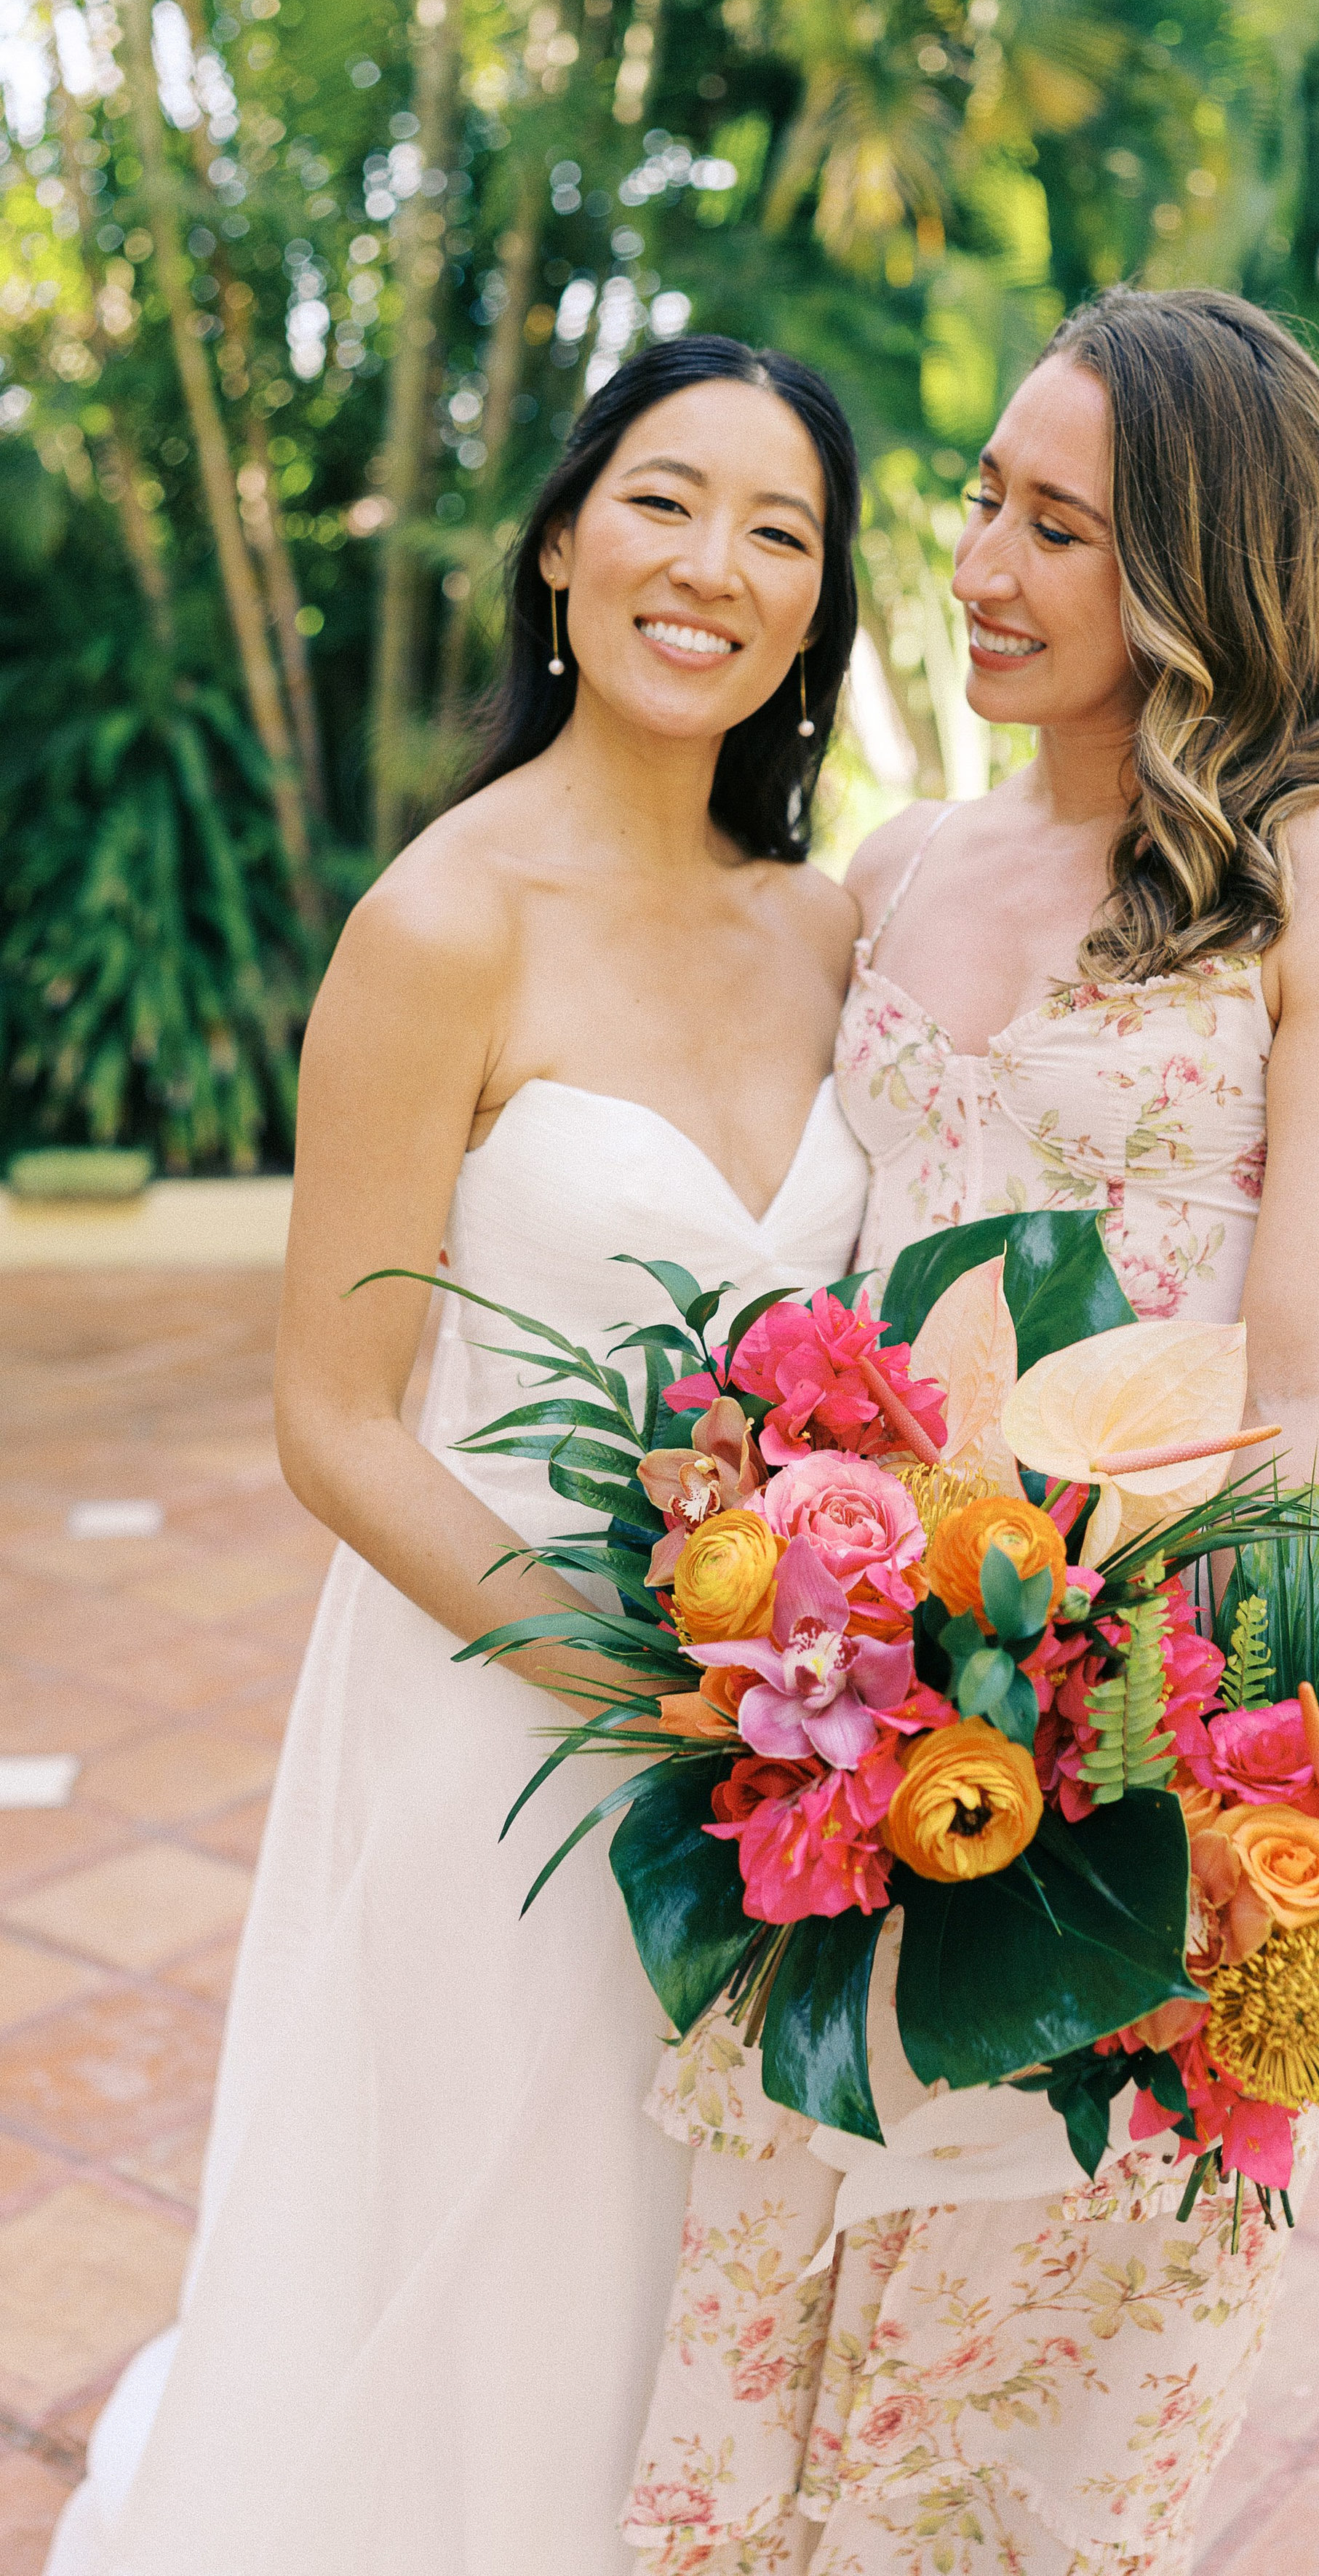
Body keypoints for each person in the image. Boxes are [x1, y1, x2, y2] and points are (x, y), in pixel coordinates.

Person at [621, 288, 1319, 2575]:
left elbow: (1315, 1391)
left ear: (1206, 560)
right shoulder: (899, 867)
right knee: (760, 2416)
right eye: (985, 501)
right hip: (843, 1748)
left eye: (1061, 527)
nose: (982, 565)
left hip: (1132, 1787)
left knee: (1003, 2469)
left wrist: (1195, 1815)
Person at [47, 337, 871, 2576]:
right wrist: (649, 1689)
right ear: (562, 541)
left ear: (820, 602)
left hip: (794, 1752)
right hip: (502, 1718)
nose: (714, 566)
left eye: (781, 531)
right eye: (666, 500)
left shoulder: (829, 927)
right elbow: (331, 1420)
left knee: (686, 2257)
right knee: (469, 2239)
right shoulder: (443, 922)